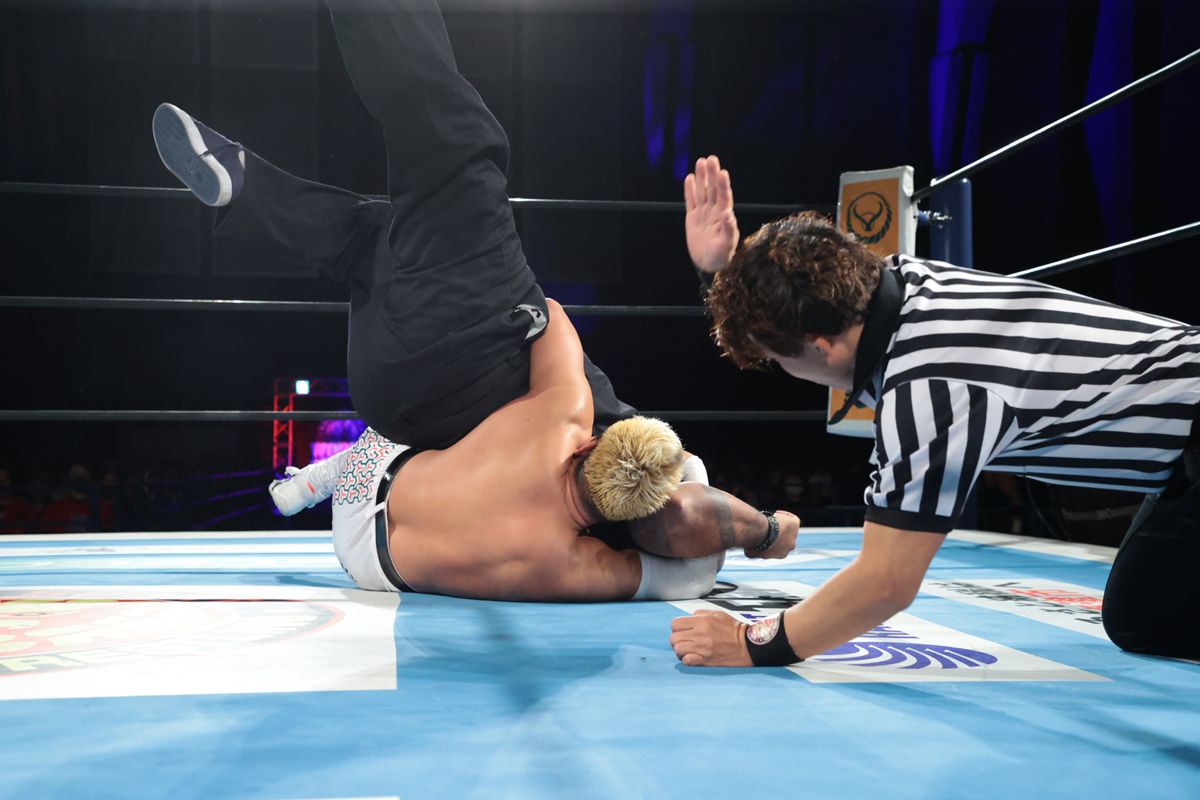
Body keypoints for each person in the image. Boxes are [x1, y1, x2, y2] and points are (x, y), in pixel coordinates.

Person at [155, 1, 800, 601]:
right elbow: (674, 556)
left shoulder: (565, 418)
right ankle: (250, 189)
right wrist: (755, 538)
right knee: (376, 239)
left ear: (591, 448)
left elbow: (553, 320)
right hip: (385, 441)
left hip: (452, 366)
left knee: (462, 149)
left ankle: (271, 175)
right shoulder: (569, 565)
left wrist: (769, 529)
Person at [669, 155, 1200, 665]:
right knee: (1145, 613)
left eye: (778, 358)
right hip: (1180, 460)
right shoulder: (893, 282)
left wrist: (752, 643)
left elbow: (886, 582)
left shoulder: (931, 390)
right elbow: (795, 292)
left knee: (1152, 613)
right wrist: (726, 273)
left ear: (821, 346)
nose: (780, 369)